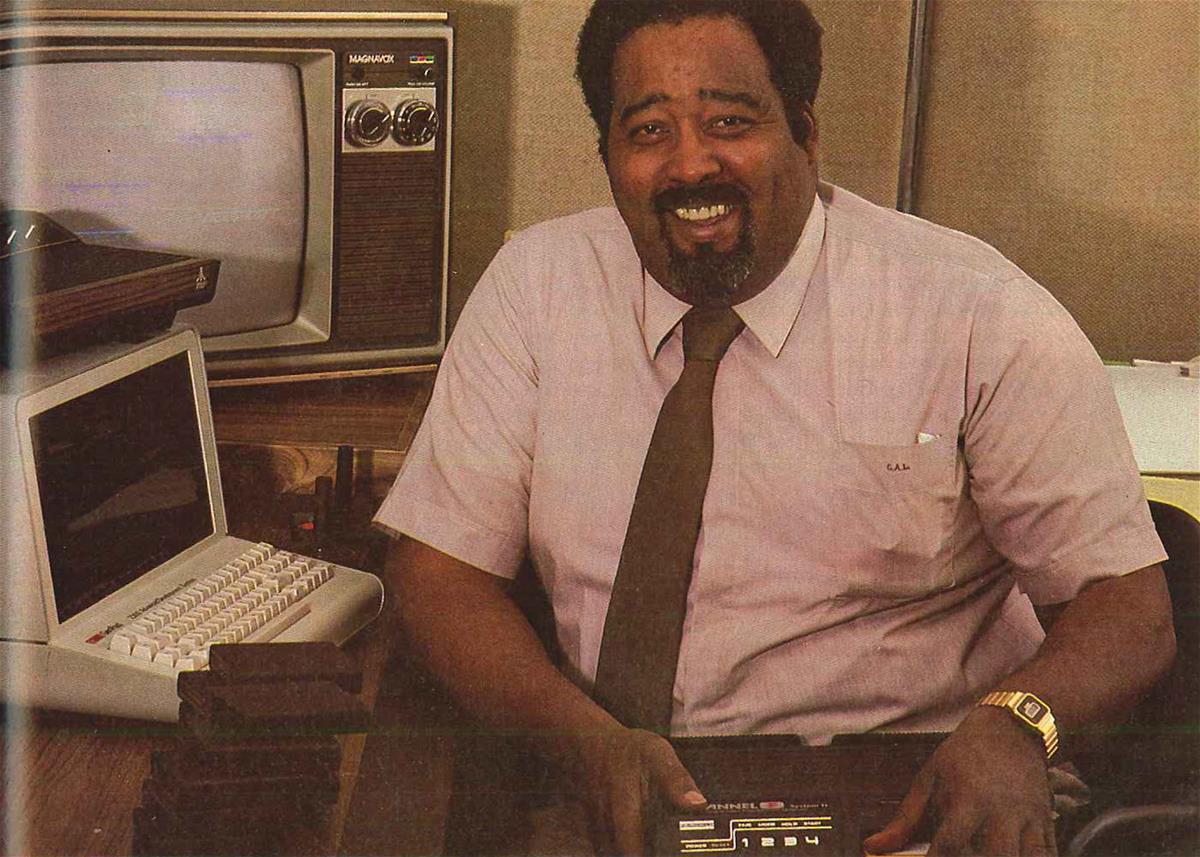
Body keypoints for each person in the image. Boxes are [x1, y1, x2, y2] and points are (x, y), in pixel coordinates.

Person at [373, 1, 1176, 853]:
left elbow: (1127, 609)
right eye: (647, 130)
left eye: (730, 121)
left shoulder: (979, 314)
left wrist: (1019, 724)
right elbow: (437, 572)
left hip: (914, 795)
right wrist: (577, 738)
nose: (690, 165)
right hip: (605, 780)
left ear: (805, 130)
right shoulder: (536, 287)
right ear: (606, 154)